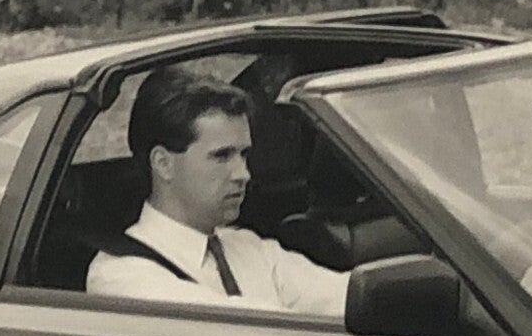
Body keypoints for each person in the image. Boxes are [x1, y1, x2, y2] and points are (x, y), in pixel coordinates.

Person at [85, 65, 349, 318]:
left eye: (243, 154)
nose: (243, 174)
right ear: (163, 164)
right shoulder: (119, 275)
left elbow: (349, 299)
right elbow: (237, 329)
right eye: (221, 156)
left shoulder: (251, 249)